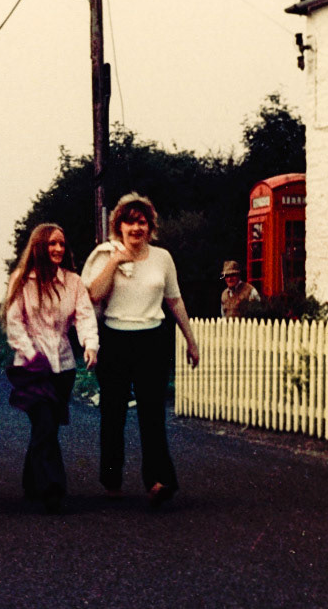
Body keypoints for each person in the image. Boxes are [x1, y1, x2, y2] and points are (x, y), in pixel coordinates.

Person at [82, 192, 199, 507]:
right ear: (118, 226)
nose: (136, 229)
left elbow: (174, 299)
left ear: (151, 227)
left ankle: (159, 481)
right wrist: (115, 262)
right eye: (130, 223)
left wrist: (190, 339)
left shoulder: (163, 258)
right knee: (113, 414)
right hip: (115, 338)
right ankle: (111, 479)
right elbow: (93, 294)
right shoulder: (104, 255)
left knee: (152, 414)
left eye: (142, 222)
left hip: (152, 339)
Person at [4, 223, 98, 512]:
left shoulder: (73, 282)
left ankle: (31, 481)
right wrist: (33, 355)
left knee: (49, 426)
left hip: (64, 365)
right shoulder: (21, 279)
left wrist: (90, 344)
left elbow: (84, 316)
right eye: (51, 244)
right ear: (39, 247)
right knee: (43, 423)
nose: (58, 249)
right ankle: (53, 488)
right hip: (32, 366)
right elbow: (14, 322)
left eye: (61, 244)